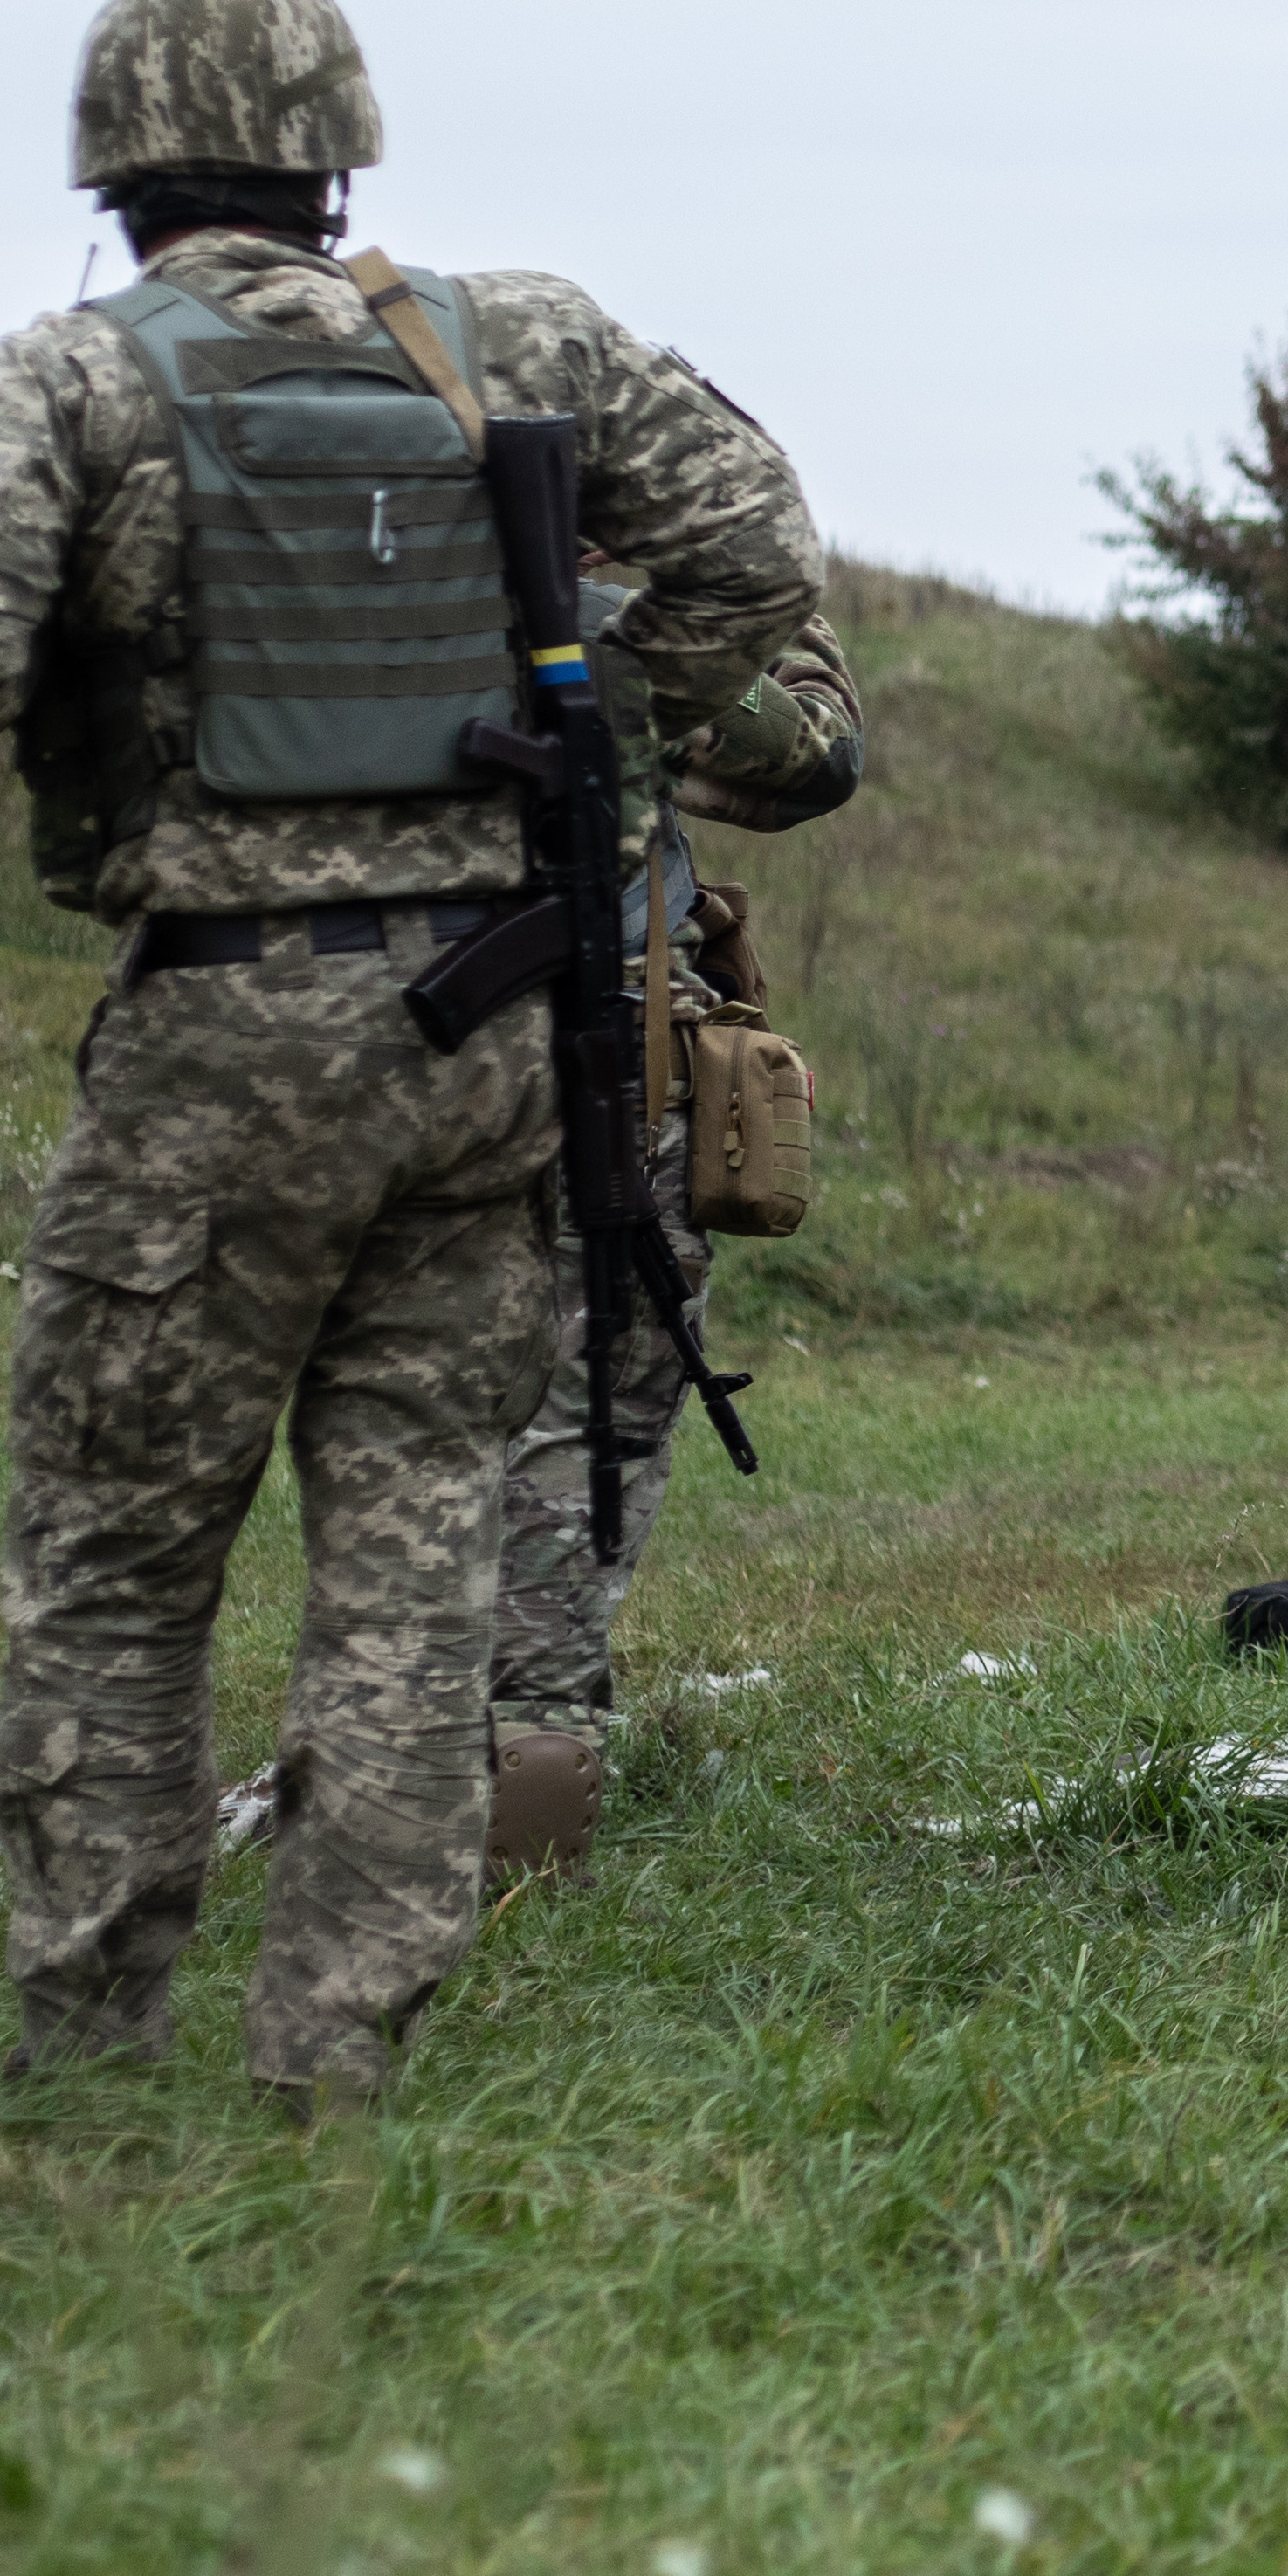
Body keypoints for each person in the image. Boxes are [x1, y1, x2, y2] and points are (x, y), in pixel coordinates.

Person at [0, 0, 824, 2106]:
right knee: (419, 1560)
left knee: (116, 1565)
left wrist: (123, 654)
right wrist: (597, 714)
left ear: (115, 175)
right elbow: (759, 546)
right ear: (336, 152)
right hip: (495, 1031)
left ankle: (91, 2078)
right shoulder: (516, 342)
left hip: (223, 1045)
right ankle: (338, 2067)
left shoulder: (82, 376)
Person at [478, 597, 864, 1878]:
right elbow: (809, 755)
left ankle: (353, 1747)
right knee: (587, 1419)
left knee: (373, 1415)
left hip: (305, 1037)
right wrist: (786, 599)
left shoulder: (277, 559)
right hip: (591, 1055)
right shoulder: (593, 616)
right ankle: (525, 1770)